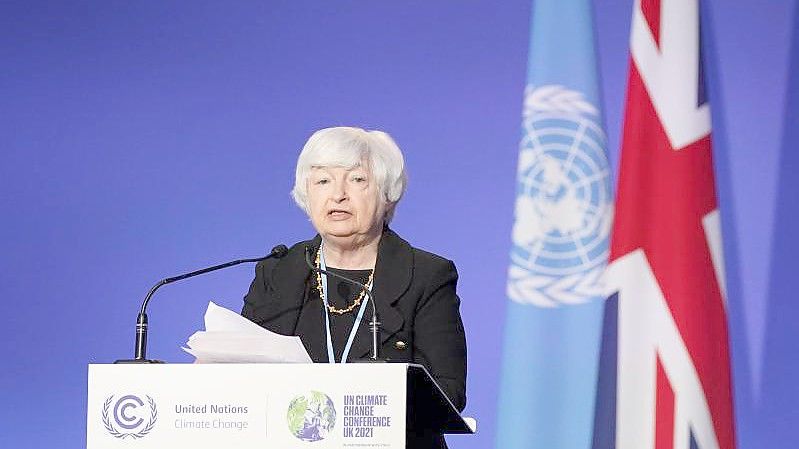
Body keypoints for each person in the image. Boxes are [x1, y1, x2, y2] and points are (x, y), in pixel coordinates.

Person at [241, 126, 466, 448]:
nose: (338, 195)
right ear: (306, 194)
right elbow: (238, 372)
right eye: (322, 181)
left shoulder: (427, 275)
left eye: (357, 180)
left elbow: (449, 393)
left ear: (388, 194)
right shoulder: (278, 271)